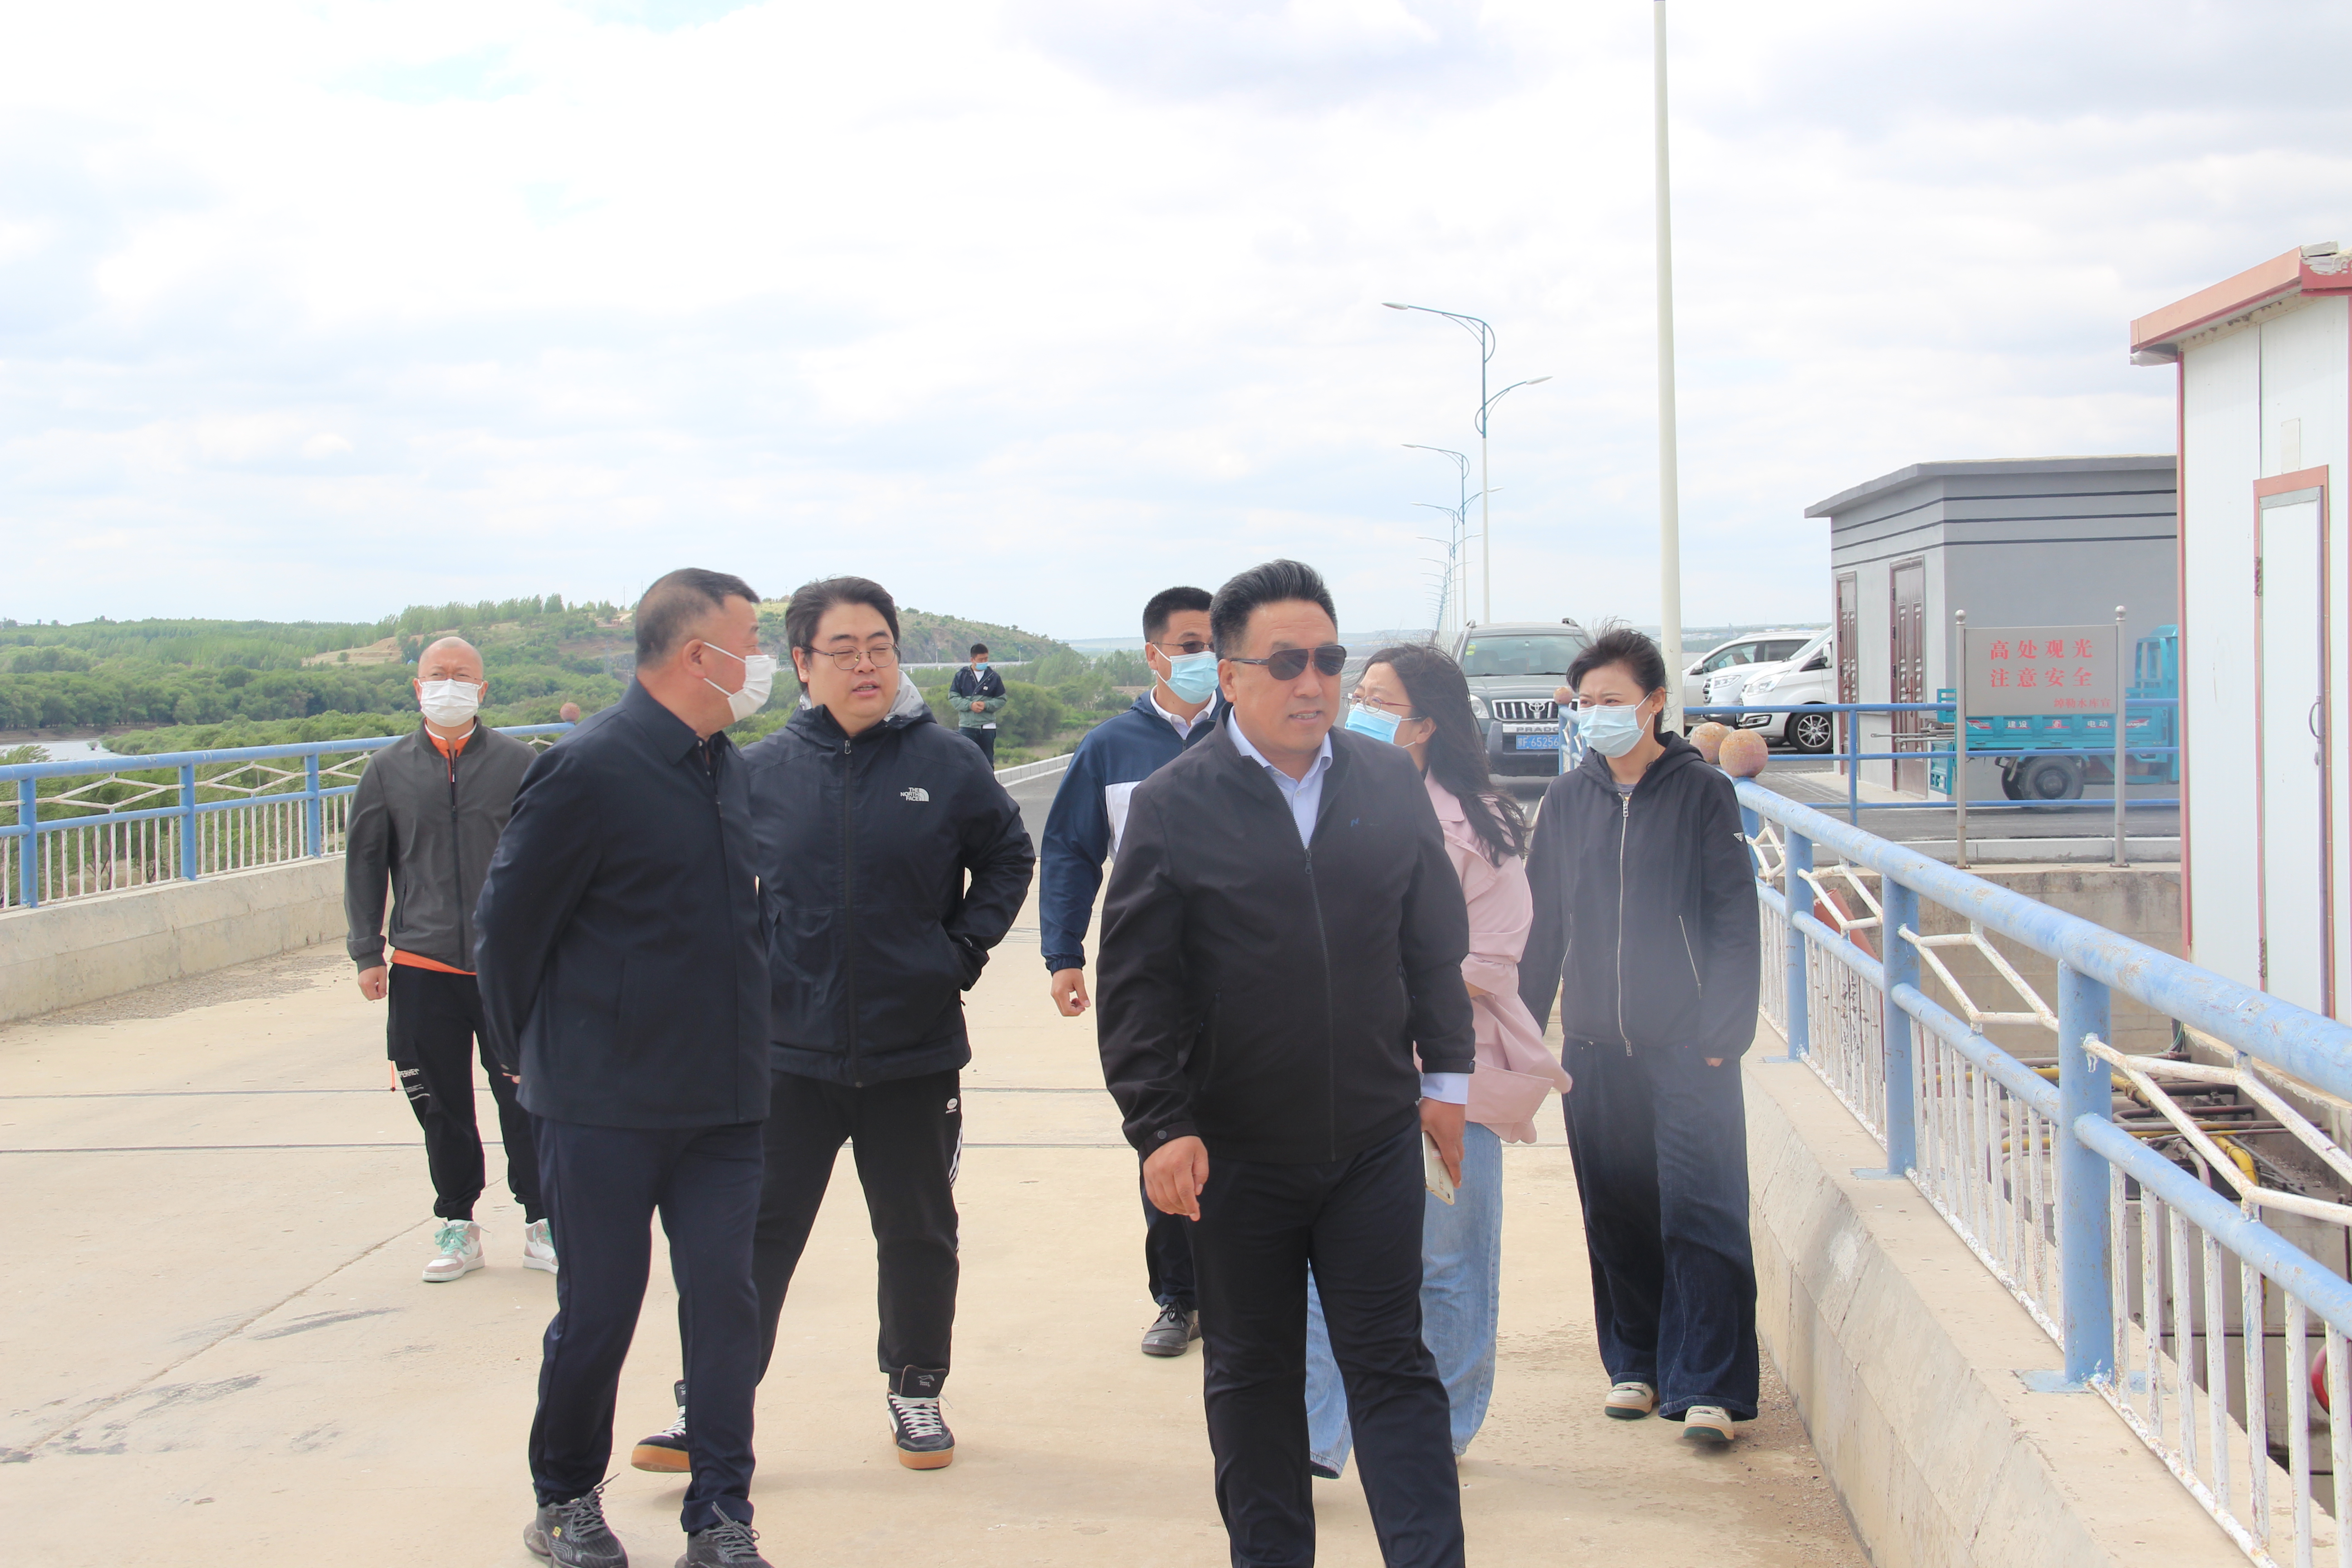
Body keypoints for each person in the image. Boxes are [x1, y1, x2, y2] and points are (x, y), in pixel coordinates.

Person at [1098, 559, 1476, 1568]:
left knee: (1390, 1365)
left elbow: (1430, 944)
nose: (1313, 682)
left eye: (1328, 660)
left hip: (1372, 1142)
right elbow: (1136, 986)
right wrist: (1159, 1124)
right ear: (1228, 677)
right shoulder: (1172, 804)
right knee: (1253, 1376)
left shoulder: (1386, 781)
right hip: (1237, 1155)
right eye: (1285, 663)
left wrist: (1446, 1082)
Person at [638, 577, 1034, 1476]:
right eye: (844, 650)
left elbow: (1009, 857)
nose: (866, 666)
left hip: (913, 1053)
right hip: (785, 1057)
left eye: (880, 648)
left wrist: (957, 953)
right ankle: (711, 1405)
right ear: (803, 665)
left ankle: (917, 1389)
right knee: (752, 1238)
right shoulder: (757, 771)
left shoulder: (948, 764)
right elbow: (701, 890)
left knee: (919, 1233)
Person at [475, 568, 777, 1568]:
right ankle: (564, 1496)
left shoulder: (724, 765)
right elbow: (506, 934)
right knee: (600, 1308)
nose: (763, 661)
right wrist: (528, 1063)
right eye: (752, 641)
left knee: (726, 1308)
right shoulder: (588, 769)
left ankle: (720, 1516)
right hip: (603, 1104)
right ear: (700, 655)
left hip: (724, 1103)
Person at [1300, 642, 1571, 1475]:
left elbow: (1493, 958)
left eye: (1379, 700)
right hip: (1337, 1068)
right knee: (1322, 1261)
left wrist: (1379, 988)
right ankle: (1315, 1433)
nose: (1357, 708)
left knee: (1447, 1260)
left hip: (1449, 1069)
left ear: (1423, 726)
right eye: (1360, 692)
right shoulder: (1316, 793)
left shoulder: (1481, 822)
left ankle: (1441, 1432)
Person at [1517, 624, 1762, 1447]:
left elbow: (1733, 919)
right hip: (1593, 1047)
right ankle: (1636, 1362)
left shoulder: (1702, 794)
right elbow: (1541, 926)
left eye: (1612, 700)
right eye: (1585, 702)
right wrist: (1524, 1036)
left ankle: (1709, 1384)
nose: (1596, 714)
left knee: (1701, 1210)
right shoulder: (1565, 801)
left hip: (1688, 1046)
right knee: (1616, 1211)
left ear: (1653, 703)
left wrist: (1722, 1030)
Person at [1038, 585, 1219, 1358]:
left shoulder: (1248, 734)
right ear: (1153, 655)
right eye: (1190, 646)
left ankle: (1251, 1293)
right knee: (1164, 1133)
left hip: (1249, 972)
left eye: (1216, 644)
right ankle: (1179, 1296)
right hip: (1152, 979)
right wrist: (1063, 954)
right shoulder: (1111, 748)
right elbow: (1070, 851)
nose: (1206, 658)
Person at [346, 636, 552, 1284]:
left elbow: (551, 859)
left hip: (507, 969)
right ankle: (458, 1223)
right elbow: (365, 864)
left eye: (463, 675)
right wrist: (366, 950)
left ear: (482, 690)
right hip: (423, 965)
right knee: (440, 1104)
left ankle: (543, 1221)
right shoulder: (387, 770)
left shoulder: (521, 764)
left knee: (526, 1099)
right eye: (438, 674)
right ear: (417, 687)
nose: (449, 684)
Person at [948, 642, 1007, 762]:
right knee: (966, 761)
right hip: (967, 726)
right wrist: (970, 705)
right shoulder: (961, 676)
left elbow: (1002, 699)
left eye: (986, 659)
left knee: (987, 761)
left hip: (987, 726)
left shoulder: (994, 677)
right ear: (972, 660)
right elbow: (953, 698)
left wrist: (986, 705)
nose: (984, 662)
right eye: (981, 660)